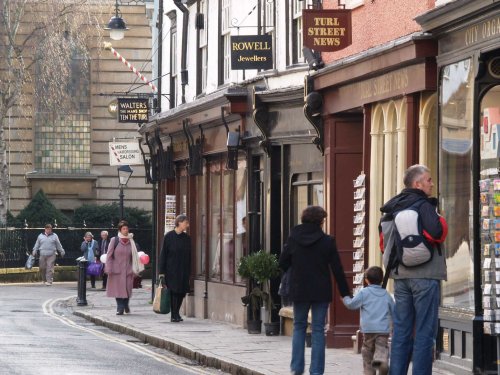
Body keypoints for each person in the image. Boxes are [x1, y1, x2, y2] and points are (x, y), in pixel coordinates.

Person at [381, 164, 447, 375]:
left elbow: (384, 244)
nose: (432, 183)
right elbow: (437, 232)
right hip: (425, 277)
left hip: (400, 277)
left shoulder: (392, 207)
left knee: (401, 331)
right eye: (428, 180)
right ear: (417, 184)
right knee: (425, 333)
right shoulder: (423, 205)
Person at [279, 206, 350, 375]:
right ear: (320, 222)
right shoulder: (327, 241)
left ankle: (297, 368)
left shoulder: (293, 238)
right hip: (320, 290)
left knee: (299, 327)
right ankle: (317, 371)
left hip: (300, 289)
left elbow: (283, 262)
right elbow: (337, 269)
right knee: (318, 330)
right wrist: (345, 293)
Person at [343, 266, 394, 375]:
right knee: (381, 348)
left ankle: (369, 372)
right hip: (383, 329)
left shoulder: (364, 293)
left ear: (366, 280)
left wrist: (345, 298)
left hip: (368, 328)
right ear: (381, 280)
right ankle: (381, 362)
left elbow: (351, 305)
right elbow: (394, 311)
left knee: (367, 351)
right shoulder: (386, 294)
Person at [104, 221, 143, 315]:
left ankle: (125, 304)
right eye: (124, 229)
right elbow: (109, 255)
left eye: (127, 228)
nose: (126, 230)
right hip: (116, 270)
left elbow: (134, 256)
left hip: (128, 270)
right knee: (118, 290)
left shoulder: (131, 241)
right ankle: (120, 307)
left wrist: (136, 269)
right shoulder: (115, 240)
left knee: (127, 289)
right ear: (120, 230)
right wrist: (108, 268)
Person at [159, 214, 191, 323]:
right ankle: (174, 314)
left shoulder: (187, 238)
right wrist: (161, 272)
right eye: (186, 223)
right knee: (174, 292)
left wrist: (189, 270)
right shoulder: (168, 236)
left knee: (182, 292)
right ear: (179, 223)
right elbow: (163, 254)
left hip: (183, 269)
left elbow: (190, 255)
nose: (187, 225)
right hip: (171, 269)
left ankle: (177, 312)